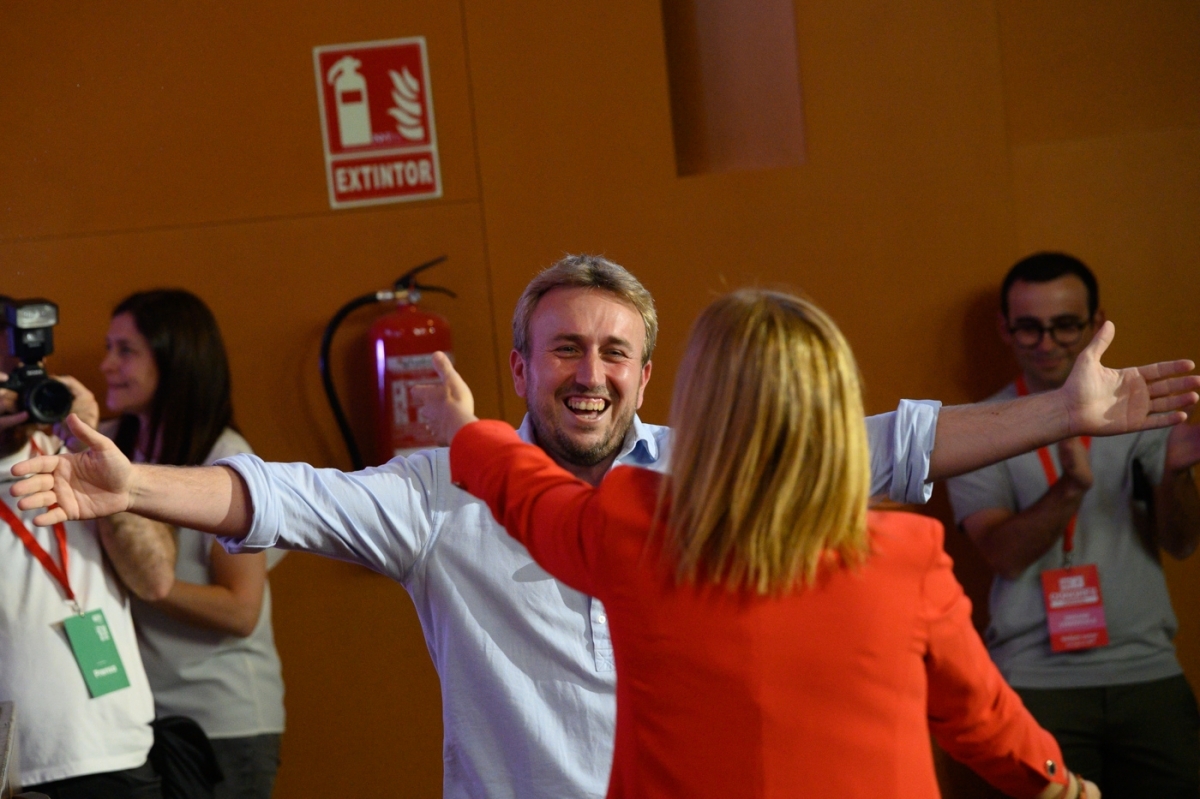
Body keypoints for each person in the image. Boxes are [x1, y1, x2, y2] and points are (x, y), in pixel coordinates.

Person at [10, 255, 1200, 799]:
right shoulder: (437, 492)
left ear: (646, 371)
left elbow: (893, 443)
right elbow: (280, 493)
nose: (592, 371)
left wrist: (1059, 409)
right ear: (522, 362)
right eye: (566, 347)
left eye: (615, 351)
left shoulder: (716, 480)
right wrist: (134, 489)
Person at [415, 289, 1101, 798]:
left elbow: (532, 495)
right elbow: (981, 717)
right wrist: (1064, 786)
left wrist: (469, 432)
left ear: (698, 407)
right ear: (834, 410)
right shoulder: (904, 559)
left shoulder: (631, 531)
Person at [946, 252, 1200, 797]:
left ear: (1094, 322)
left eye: (1065, 325)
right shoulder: (979, 430)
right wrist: (1070, 489)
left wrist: (1177, 473)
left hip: (1146, 671)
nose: (1047, 343)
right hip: (1037, 681)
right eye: (1029, 328)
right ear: (1004, 328)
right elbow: (1003, 555)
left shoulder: (1141, 411)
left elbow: (1182, 542)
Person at [96, 290, 286, 799]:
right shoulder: (110, 442)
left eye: (126, 351)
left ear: (176, 360)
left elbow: (241, 610)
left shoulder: (226, 459)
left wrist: (149, 584)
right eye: (108, 348)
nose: (106, 365)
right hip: (139, 719)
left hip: (220, 726)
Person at [0, 366, 168, 797]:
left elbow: (155, 580)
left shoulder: (77, 460)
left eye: (13, 379)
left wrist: (86, 444)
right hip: (15, 774)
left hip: (118, 754)